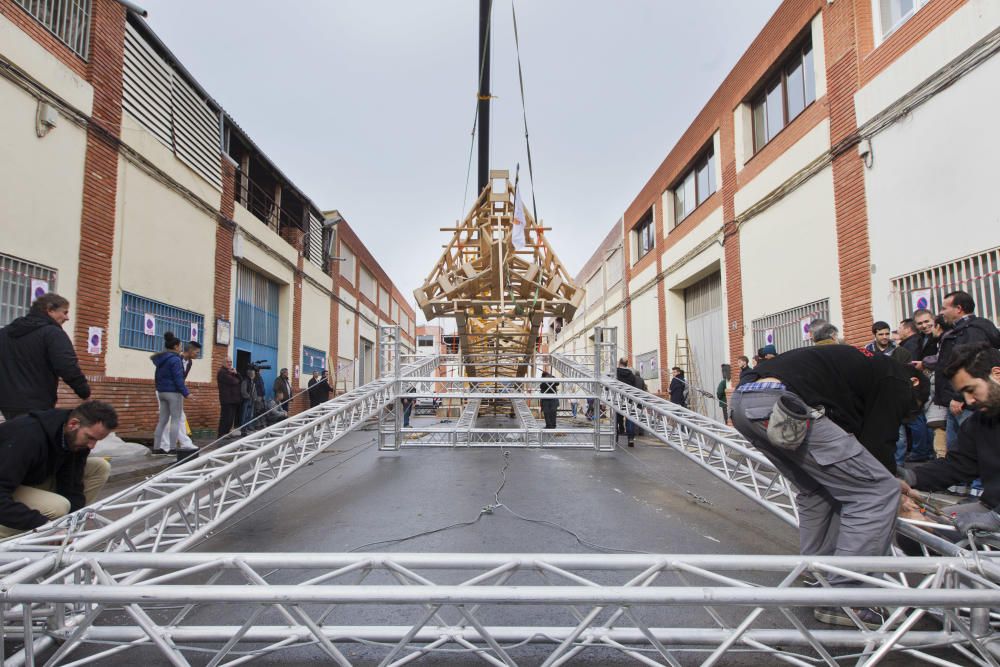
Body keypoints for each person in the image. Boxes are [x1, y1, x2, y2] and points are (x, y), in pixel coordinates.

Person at [731, 344, 928, 629]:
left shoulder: (858, 370)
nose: (905, 415)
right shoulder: (897, 378)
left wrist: (887, 475)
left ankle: (820, 574)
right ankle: (846, 597)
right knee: (875, 492)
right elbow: (879, 442)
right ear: (914, 383)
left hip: (747, 404)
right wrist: (895, 493)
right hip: (784, 404)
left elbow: (855, 452)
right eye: (910, 409)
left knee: (819, 489)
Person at [898, 343, 1000, 534]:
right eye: (963, 393)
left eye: (971, 389)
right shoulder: (980, 422)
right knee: (918, 531)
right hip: (990, 508)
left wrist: (997, 518)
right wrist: (910, 476)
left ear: (997, 374)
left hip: (995, 515)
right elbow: (959, 464)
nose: (968, 401)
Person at [0, 400, 116, 538]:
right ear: (73, 424)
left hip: (24, 479)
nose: (92, 446)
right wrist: (43, 525)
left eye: (97, 440)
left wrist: (69, 525)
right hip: (5, 485)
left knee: (100, 467)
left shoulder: (74, 439)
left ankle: (62, 531)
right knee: (58, 506)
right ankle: (6, 538)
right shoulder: (27, 437)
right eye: (90, 438)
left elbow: (72, 484)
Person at [0, 293, 90, 420]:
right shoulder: (53, 333)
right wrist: (84, 391)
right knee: (34, 438)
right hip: (37, 403)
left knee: (18, 436)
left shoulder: (5, 333)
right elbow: (67, 366)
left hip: (7, 402)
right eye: (64, 312)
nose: (67, 317)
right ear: (50, 310)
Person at [933, 291, 1000, 451]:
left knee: (972, 450)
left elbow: (973, 367)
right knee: (957, 452)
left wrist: (960, 397)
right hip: (957, 401)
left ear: (959, 309)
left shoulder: (971, 331)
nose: (941, 313)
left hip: (963, 404)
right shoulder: (961, 330)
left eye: (944, 308)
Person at [150, 333, 189, 456]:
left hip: (161, 392)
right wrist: (186, 393)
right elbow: (179, 379)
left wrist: (159, 389)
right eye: (180, 346)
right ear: (176, 346)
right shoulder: (175, 359)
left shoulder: (160, 360)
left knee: (162, 421)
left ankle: (156, 448)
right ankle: (172, 449)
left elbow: (157, 377)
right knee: (175, 420)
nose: (181, 348)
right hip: (174, 393)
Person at [170, 341, 201, 453]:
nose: (198, 354)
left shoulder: (189, 362)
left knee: (179, 418)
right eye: (197, 352)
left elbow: (182, 379)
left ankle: (180, 444)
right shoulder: (176, 359)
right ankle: (182, 443)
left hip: (177, 391)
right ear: (190, 351)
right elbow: (175, 378)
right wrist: (186, 393)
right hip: (170, 391)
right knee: (177, 418)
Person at [216, 357, 242, 437]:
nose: (230, 363)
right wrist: (235, 375)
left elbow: (241, 380)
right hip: (226, 399)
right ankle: (221, 434)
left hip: (233, 400)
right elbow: (234, 381)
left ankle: (226, 433)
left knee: (230, 419)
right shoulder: (222, 372)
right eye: (228, 362)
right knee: (225, 418)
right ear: (223, 363)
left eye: (230, 362)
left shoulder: (229, 372)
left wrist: (236, 373)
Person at [615, 358, 637, 447]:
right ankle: (631, 438)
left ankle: (615, 436)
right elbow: (634, 387)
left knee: (616, 418)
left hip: (617, 398)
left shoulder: (615, 372)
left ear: (619, 363)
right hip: (629, 399)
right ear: (626, 364)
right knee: (629, 418)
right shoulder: (631, 375)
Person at [240, 368, 262, 436]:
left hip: (252, 401)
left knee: (250, 415)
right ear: (251, 374)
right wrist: (249, 397)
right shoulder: (245, 381)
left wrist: (255, 398)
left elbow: (254, 391)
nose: (255, 375)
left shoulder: (252, 381)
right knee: (245, 415)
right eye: (254, 374)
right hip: (247, 401)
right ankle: (243, 430)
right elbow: (243, 391)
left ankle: (247, 428)